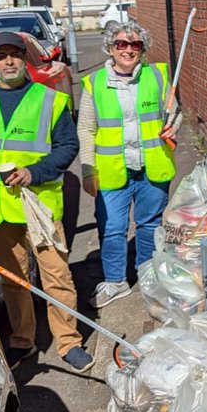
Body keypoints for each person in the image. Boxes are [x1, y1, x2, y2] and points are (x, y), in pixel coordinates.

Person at [0, 32, 93, 373]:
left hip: (37, 206)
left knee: (56, 275)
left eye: (15, 54)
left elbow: (67, 148)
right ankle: (22, 341)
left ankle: (69, 342)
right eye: (1, 56)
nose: (8, 61)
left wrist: (34, 172)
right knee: (13, 279)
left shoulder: (49, 100)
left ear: (25, 58)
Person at [77, 20, 177, 308]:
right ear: (110, 48)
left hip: (152, 165)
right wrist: (87, 168)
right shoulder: (94, 83)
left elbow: (174, 112)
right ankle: (115, 281)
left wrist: (173, 126)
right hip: (111, 169)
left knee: (148, 224)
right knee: (112, 227)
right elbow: (86, 129)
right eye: (121, 44)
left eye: (135, 44)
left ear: (142, 48)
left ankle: (146, 275)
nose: (128, 50)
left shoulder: (156, 76)